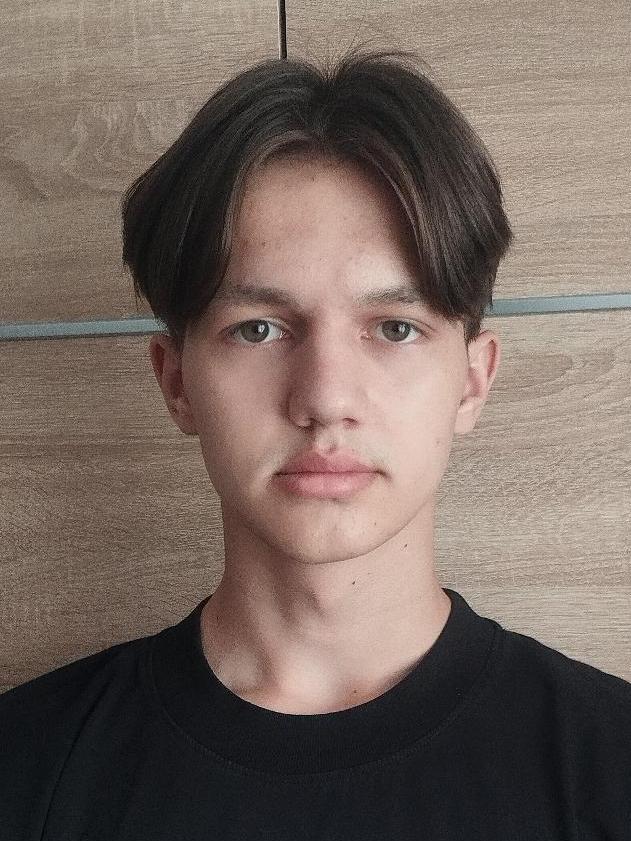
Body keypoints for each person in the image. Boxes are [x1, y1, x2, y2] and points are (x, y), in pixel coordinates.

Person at [2, 45, 630, 840]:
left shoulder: (608, 766)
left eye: (394, 328)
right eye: (258, 329)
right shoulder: (26, 767)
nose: (326, 397)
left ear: (472, 380)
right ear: (177, 380)